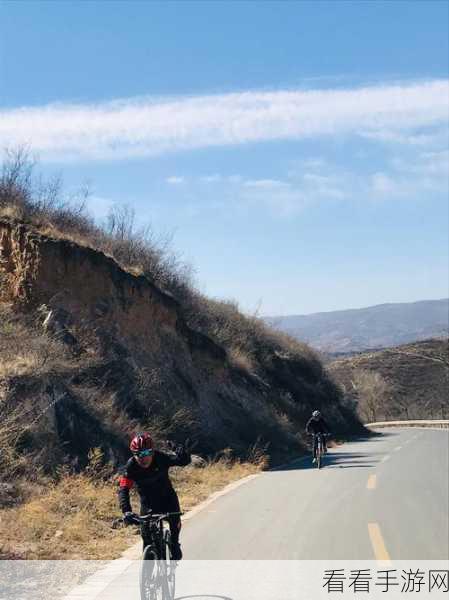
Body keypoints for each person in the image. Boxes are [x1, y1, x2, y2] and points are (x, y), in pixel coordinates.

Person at [118, 432, 191, 560]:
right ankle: (148, 569)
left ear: (152, 452)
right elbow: (123, 489)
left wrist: (179, 450)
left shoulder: (160, 458)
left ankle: (174, 544)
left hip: (168, 498)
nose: (143, 458)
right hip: (148, 502)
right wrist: (126, 511)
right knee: (146, 536)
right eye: (139, 454)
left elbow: (183, 461)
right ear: (134, 455)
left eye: (147, 453)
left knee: (175, 521)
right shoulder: (131, 467)